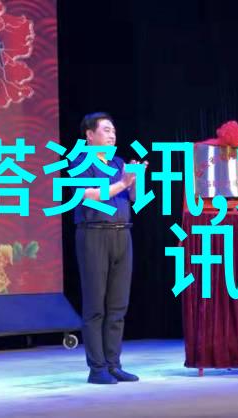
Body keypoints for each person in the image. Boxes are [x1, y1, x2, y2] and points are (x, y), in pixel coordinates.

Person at [72, 112, 146, 384]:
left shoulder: (118, 163)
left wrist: (136, 180)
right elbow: (89, 195)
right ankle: (97, 368)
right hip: (94, 234)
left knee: (118, 305)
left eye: (113, 130)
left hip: (122, 234)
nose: (112, 135)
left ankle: (113, 364)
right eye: (105, 130)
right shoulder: (80, 161)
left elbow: (134, 198)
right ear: (90, 135)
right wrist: (123, 183)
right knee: (95, 306)